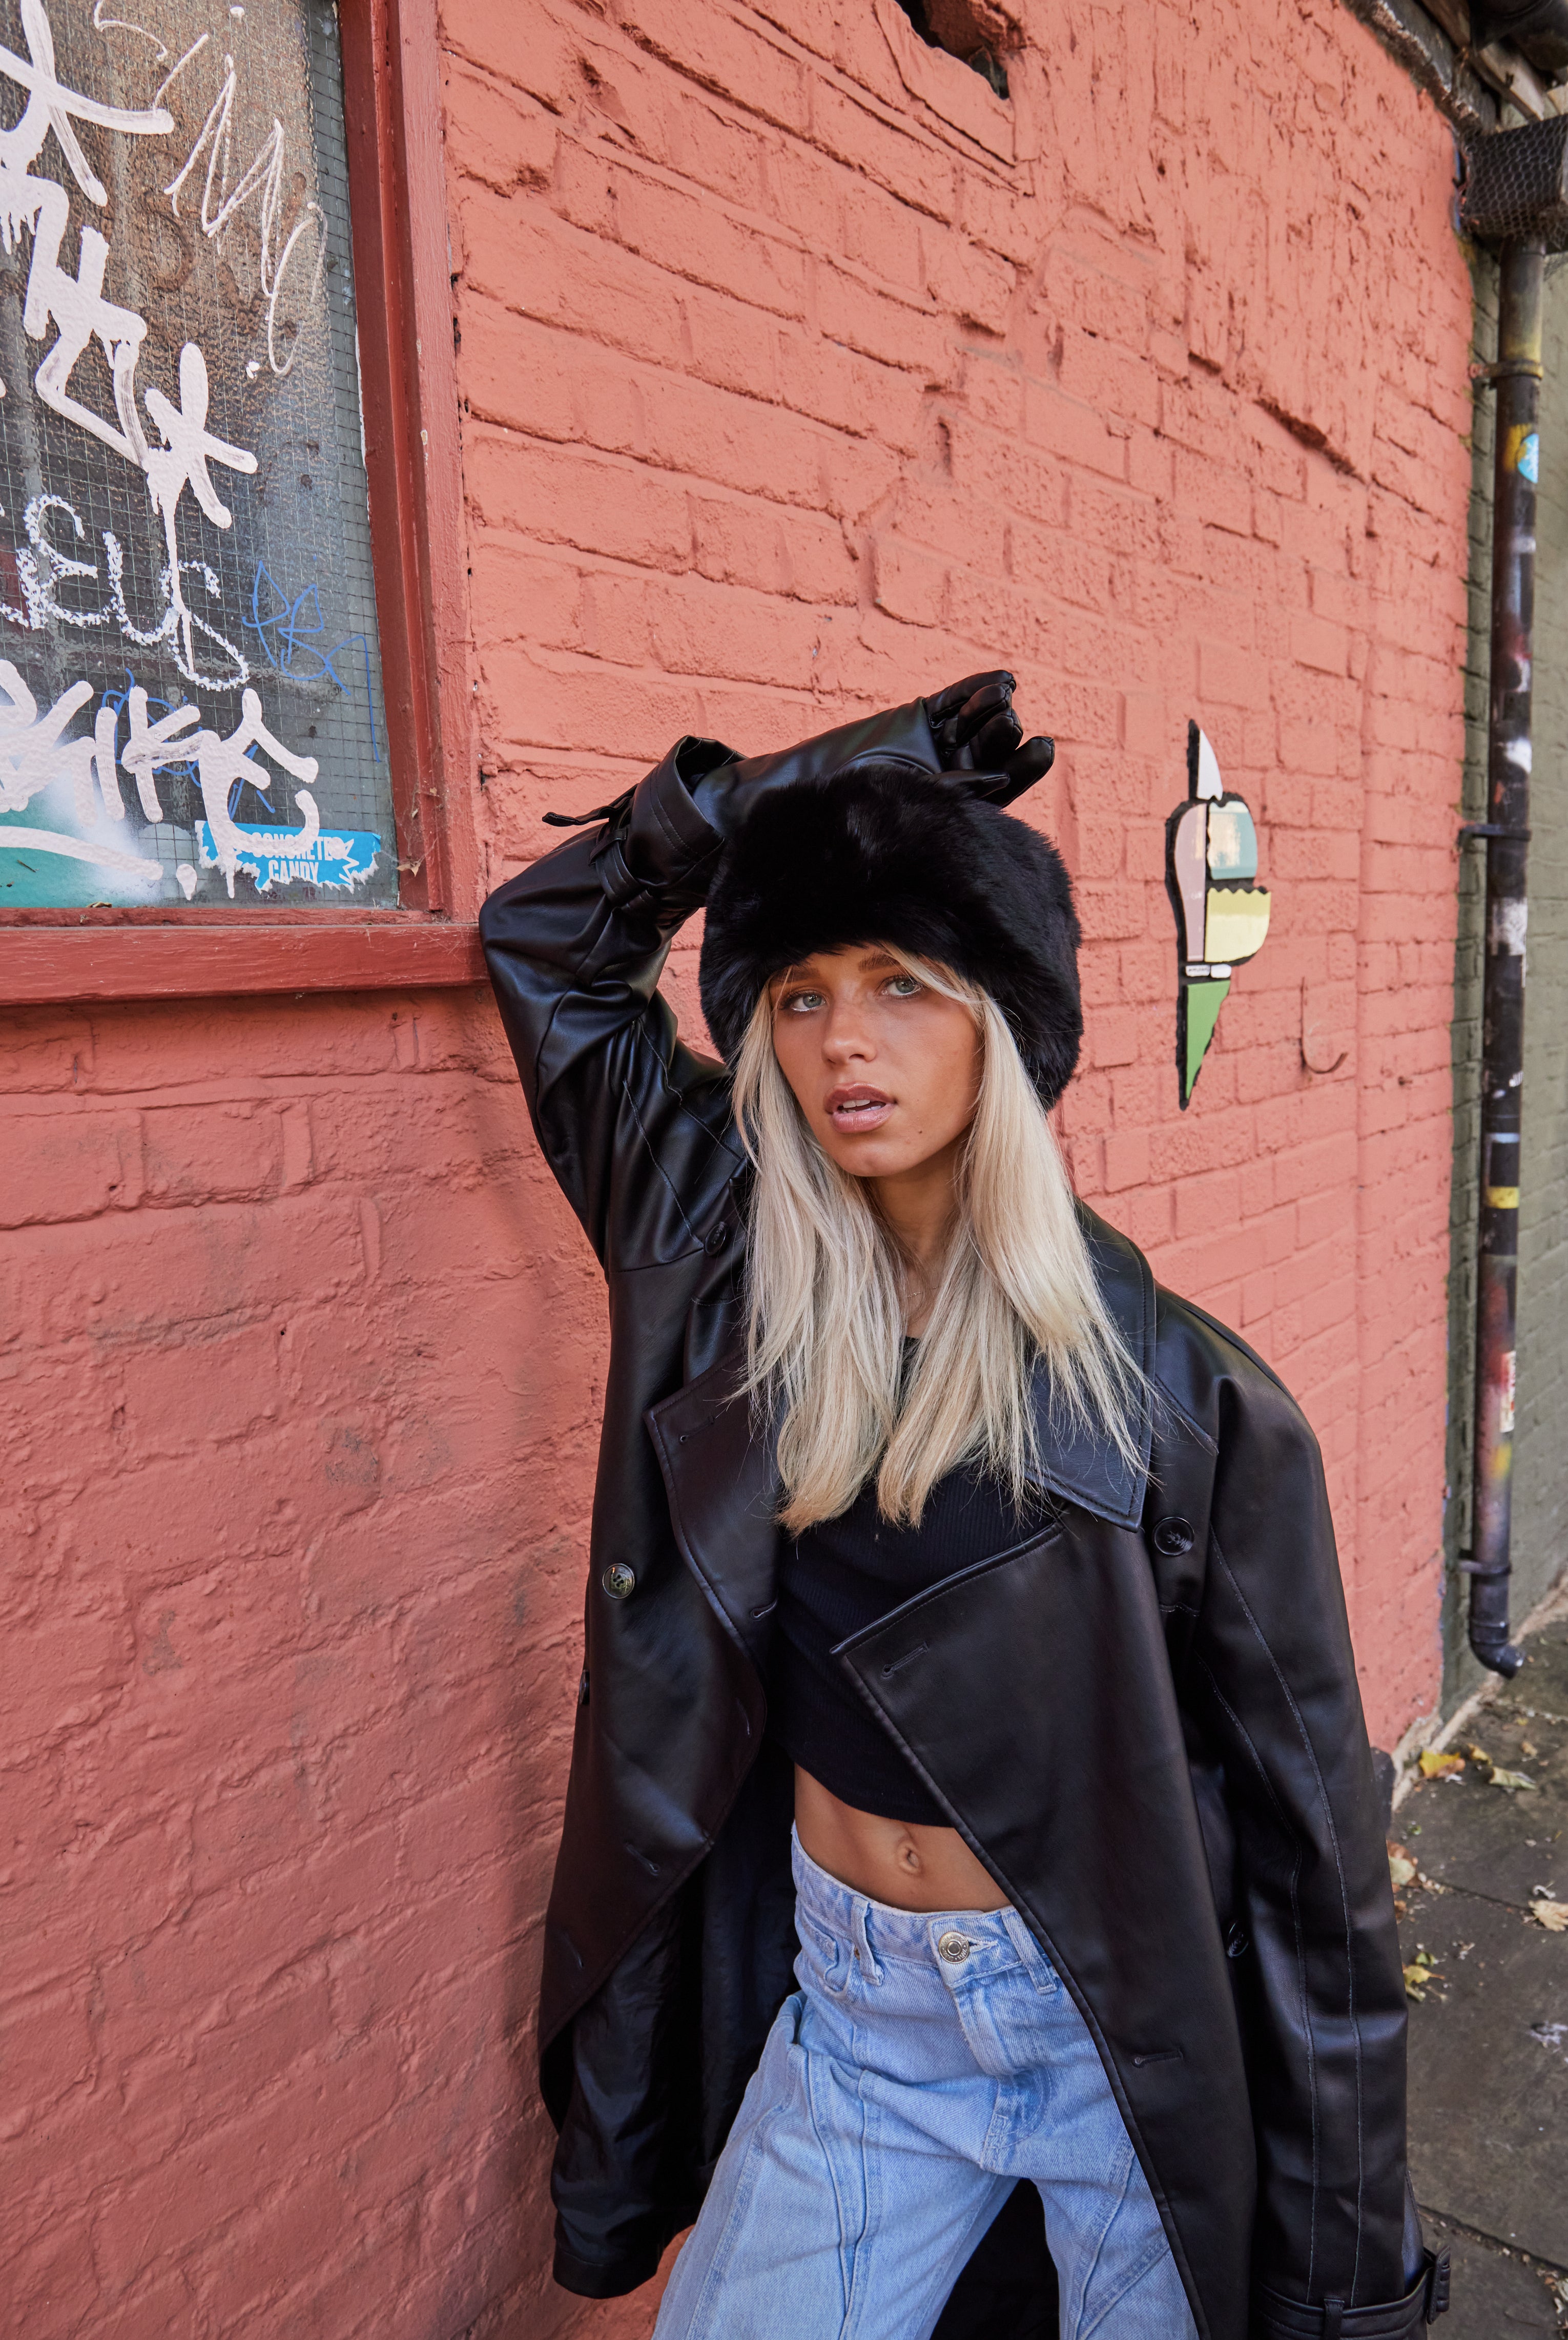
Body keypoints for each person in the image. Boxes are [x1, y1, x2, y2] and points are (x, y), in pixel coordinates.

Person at [480, 675, 1448, 2340]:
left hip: (1109, 2037)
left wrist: (1348, 2276)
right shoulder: (718, 1254)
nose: (839, 1041)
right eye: (796, 995)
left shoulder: (1182, 1401)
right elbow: (548, 944)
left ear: (999, 1027)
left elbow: (1316, 1866)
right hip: (856, 2021)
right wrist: (812, 789)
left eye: (902, 985)